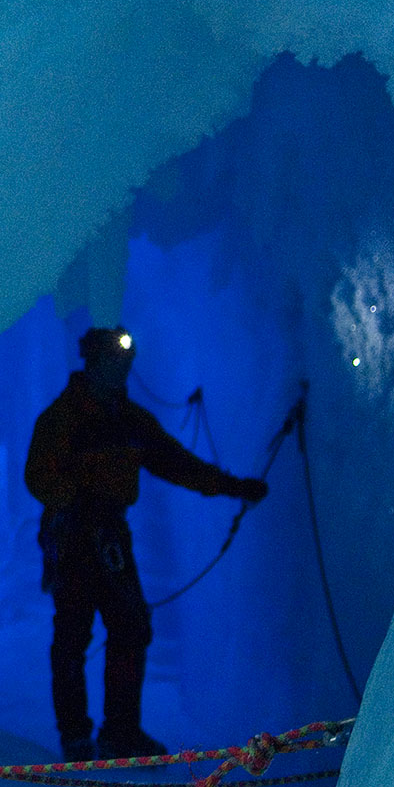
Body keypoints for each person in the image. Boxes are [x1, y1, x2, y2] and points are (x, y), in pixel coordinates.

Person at [23, 326, 269, 762]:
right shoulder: (63, 418)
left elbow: (176, 463)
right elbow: (37, 477)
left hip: (108, 535)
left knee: (128, 626)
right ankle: (78, 736)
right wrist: (77, 497)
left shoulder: (127, 420)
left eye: (125, 364)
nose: (122, 371)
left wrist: (234, 487)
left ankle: (119, 732)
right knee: (75, 633)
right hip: (74, 534)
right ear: (94, 363)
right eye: (114, 362)